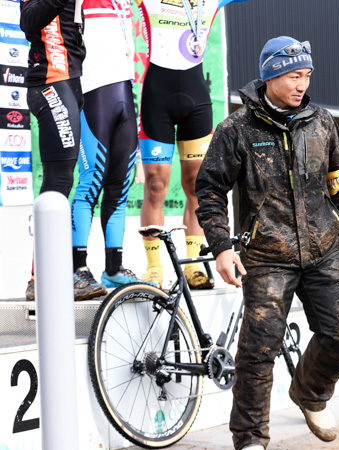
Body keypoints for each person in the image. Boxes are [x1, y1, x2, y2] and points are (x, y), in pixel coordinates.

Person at [195, 36, 339, 450]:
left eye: (307, 75)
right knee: (259, 348)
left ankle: (310, 393)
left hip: (325, 249)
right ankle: (250, 438)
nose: (302, 84)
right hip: (265, 254)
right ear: (271, 75)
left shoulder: (322, 123)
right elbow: (209, 190)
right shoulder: (237, 129)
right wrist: (221, 247)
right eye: (294, 75)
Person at [136, 0, 248, 289]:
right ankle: (154, 266)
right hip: (156, 100)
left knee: (197, 184)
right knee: (155, 185)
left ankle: (193, 264)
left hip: (196, 100)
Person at [69, 0, 154, 292]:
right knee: (90, 185)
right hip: (92, 91)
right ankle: (76, 269)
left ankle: (114, 269)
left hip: (124, 92)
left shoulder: (123, 3)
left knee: (119, 187)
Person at [20, 0, 94, 300]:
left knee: (64, 179)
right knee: (58, 181)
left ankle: (48, 275)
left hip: (70, 81)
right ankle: (42, 279)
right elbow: (28, 20)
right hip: (50, 80)